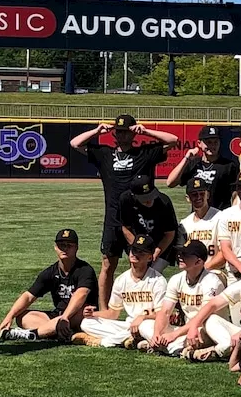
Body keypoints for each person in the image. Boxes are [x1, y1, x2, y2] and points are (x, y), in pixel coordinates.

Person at [71, 114, 178, 315]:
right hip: (113, 218)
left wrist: (146, 131)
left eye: (126, 131)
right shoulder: (104, 154)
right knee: (107, 264)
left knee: (144, 264)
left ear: (133, 132)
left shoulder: (144, 153)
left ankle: (146, 309)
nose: (121, 135)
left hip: (139, 221)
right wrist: (97, 131)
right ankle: (105, 311)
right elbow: (75, 144)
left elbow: (173, 141)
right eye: (118, 131)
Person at [0, 229, 98, 342]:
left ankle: (34, 334)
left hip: (79, 315)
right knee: (22, 316)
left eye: (69, 245)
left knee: (79, 313)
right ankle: (61, 333)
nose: (65, 249)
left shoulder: (85, 270)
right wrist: (9, 316)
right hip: (57, 316)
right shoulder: (51, 272)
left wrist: (65, 317)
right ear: (55, 247)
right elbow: (29, 296)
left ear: (76, 248)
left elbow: (81, 294)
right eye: (61, 245)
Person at [77, 236, 167, 348]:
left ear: (150, 258)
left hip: (148, 323)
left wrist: (143, 317)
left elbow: (162, 314)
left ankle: (102, 342)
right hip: (128, 325)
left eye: (141, 252)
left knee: (145, 327)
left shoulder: (158, 281)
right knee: (87, 323)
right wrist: (92, 314)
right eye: (133, 250)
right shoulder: (121, 280)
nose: (135, 254)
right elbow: (113, 313)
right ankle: (132, 338)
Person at [146, 241, 226, 356]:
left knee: (195, 334)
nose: (180, 257)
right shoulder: (176, 279)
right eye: (180, 253)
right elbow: (165, 311)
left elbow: (202, 318)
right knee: (146, 325)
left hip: (204, 328)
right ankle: (163, 344)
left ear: (199, 261)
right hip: (185, 329)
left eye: (185, 255)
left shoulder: (212, 282)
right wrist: (157, 333)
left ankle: (166, 346)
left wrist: (174, 335)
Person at [166, 125, 239, 211]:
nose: (212, 145)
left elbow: (236, 194)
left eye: (215, 142)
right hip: (198, 217)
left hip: (219, 217)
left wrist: (233, 213)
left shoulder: (229, 166)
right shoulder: (193, 163)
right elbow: (170, 183)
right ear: (199, 143)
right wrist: (186, 159)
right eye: (208, 142)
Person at [118, 175, 179, 272]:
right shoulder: (126, 200)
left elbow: (169, 234)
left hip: (161, 242)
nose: (149, 200)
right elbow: (125, 227)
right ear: (134, 195)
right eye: (144, 198)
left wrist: (156, 252)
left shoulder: (164, 202)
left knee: (152, 272)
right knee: (137, 271)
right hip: (137, 240)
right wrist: (138, 249)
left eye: (151, 196)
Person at [179, 177, 226, 280]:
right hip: (192, 273)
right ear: (188, 198)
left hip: (216, 271)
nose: (198, 197)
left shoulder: (221, 217)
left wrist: (203, 269)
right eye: (194, 194)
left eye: (202, 194)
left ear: (207, 195)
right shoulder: (185, 223)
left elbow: (224, 253)